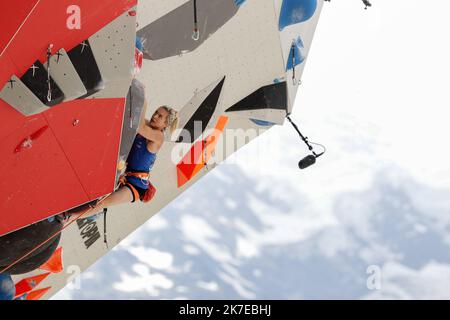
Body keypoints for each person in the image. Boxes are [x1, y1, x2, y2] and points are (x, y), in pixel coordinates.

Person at [72, 101, 178, 219]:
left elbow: (139, 126)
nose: (155, 116)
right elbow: (133, 120)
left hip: (136, 185)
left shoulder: (159, 136)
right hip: (126, 173)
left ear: (165, 125)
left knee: (102, 202)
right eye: (156, 112)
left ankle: (69, 217)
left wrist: (144, 102)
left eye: (160, 116)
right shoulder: (148, 125)